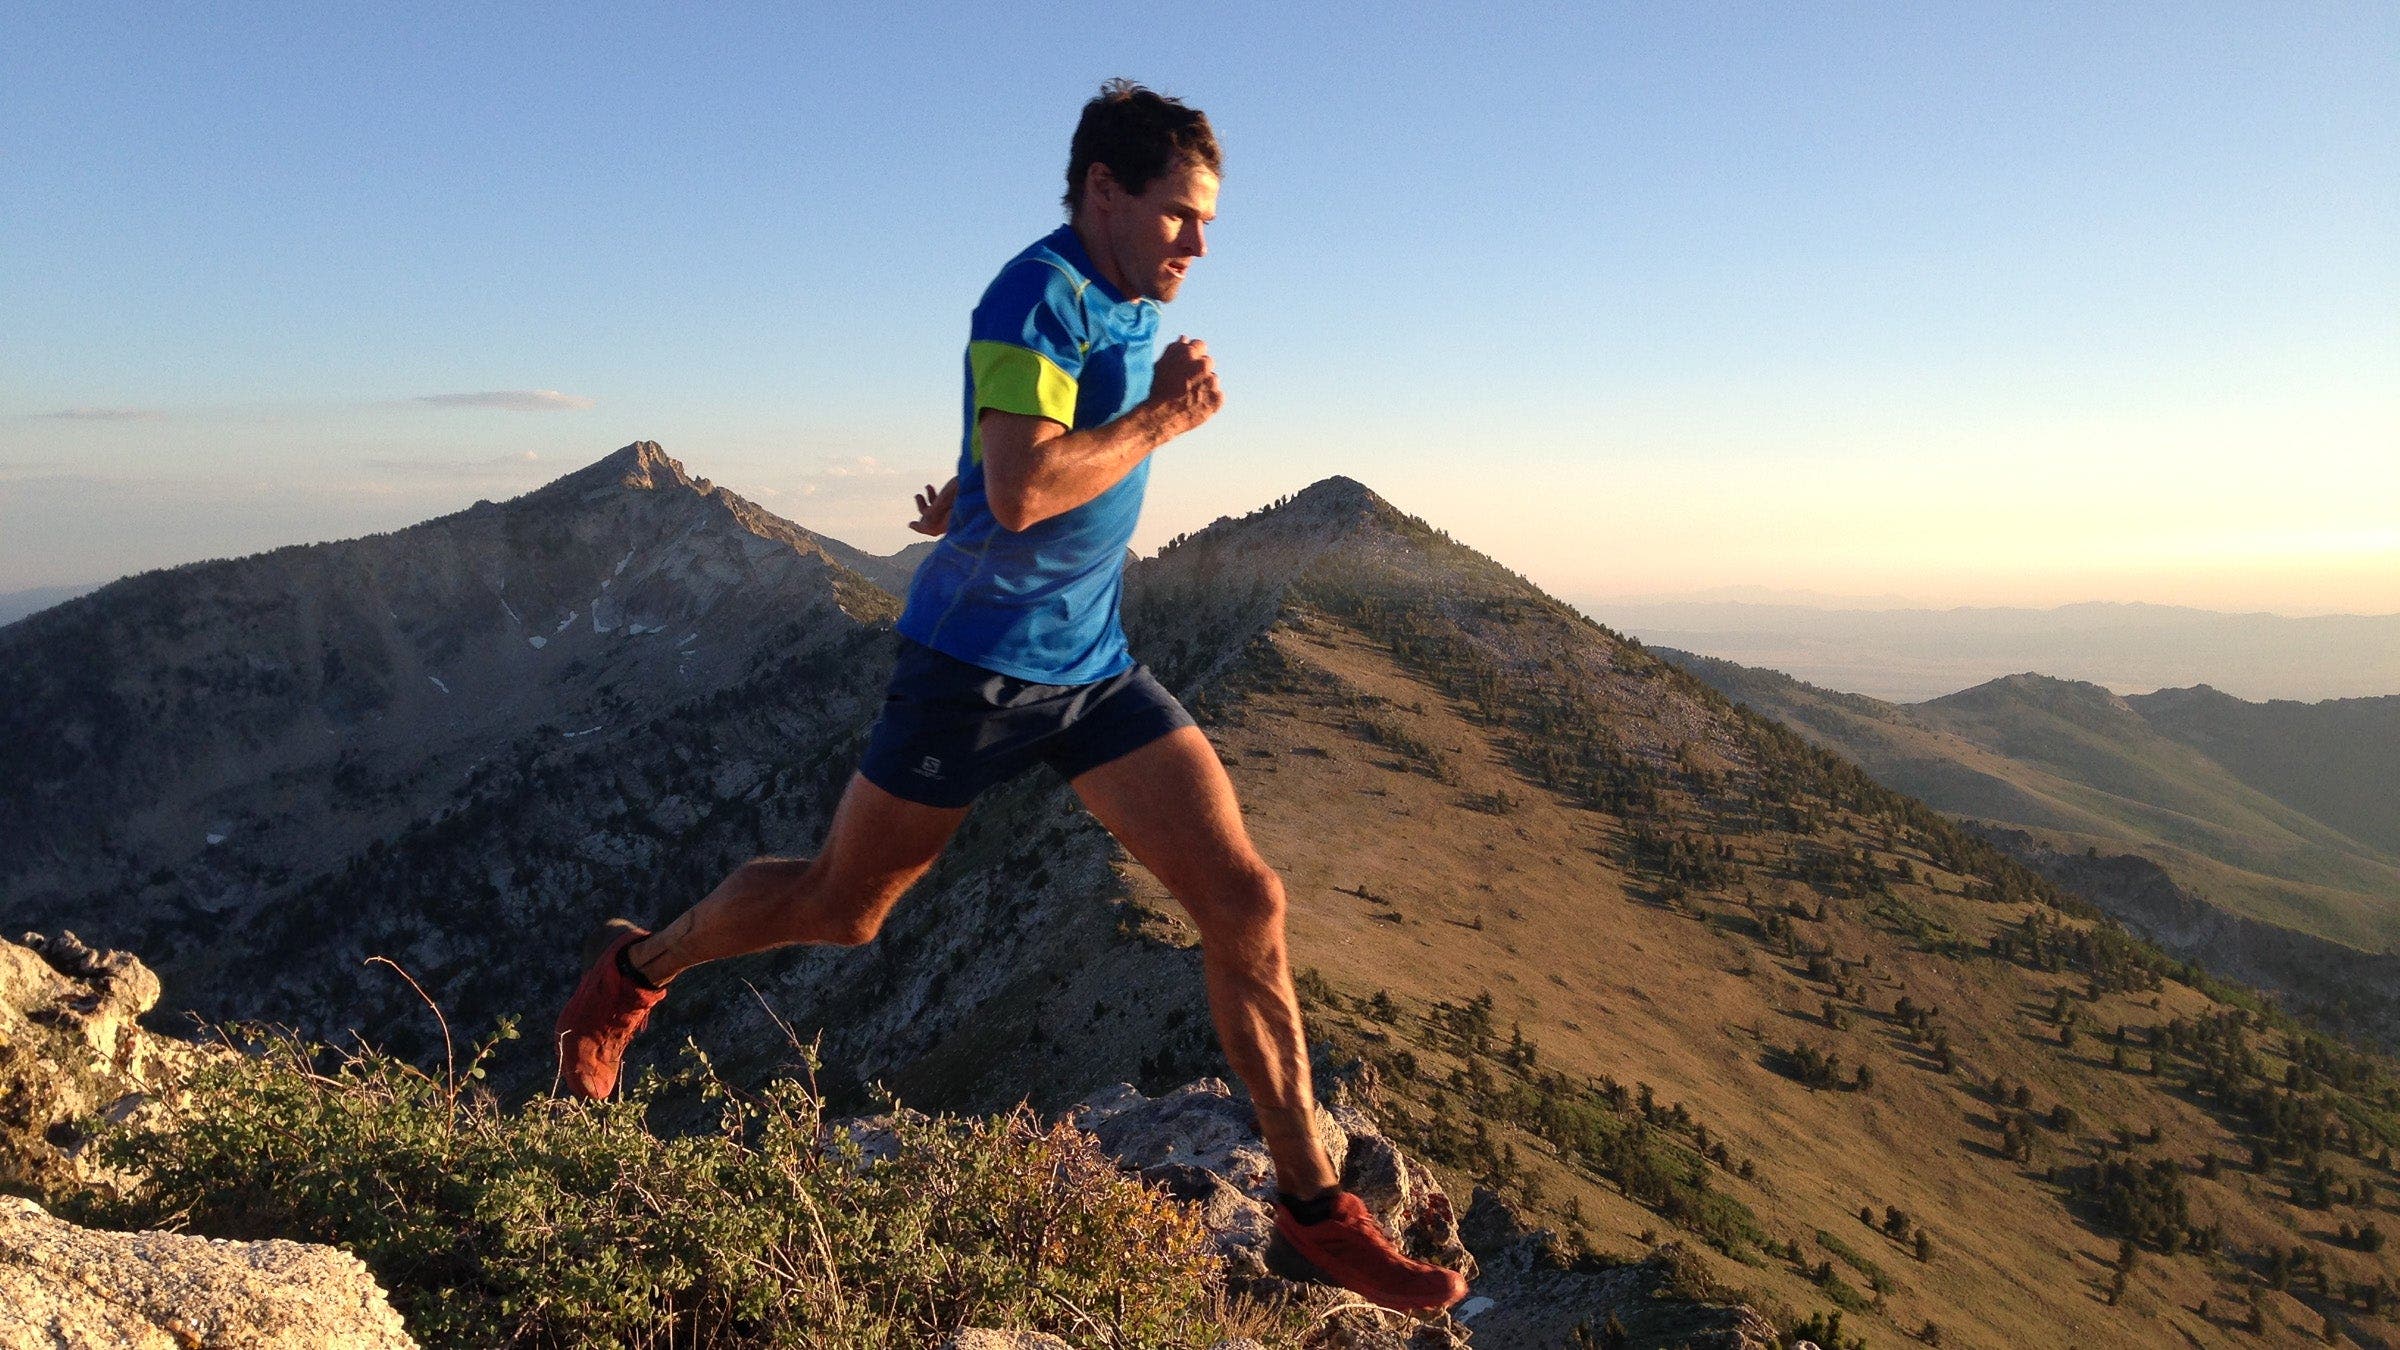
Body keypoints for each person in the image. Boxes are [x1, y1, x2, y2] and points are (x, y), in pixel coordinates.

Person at [554, 79, 1467, 1314]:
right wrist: (1157, 421)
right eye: (1179, 216)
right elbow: (1035, 484)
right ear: (1102, 191)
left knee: (1245, 897)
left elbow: (1017, 449)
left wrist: (974, 490)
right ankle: (632, 975)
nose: (1199, 245)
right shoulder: (1030, 292)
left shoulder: (1133, 299)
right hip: (971, 669)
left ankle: (1312, 1210)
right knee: (840, 909)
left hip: (1091, 667)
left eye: (1209, 223)